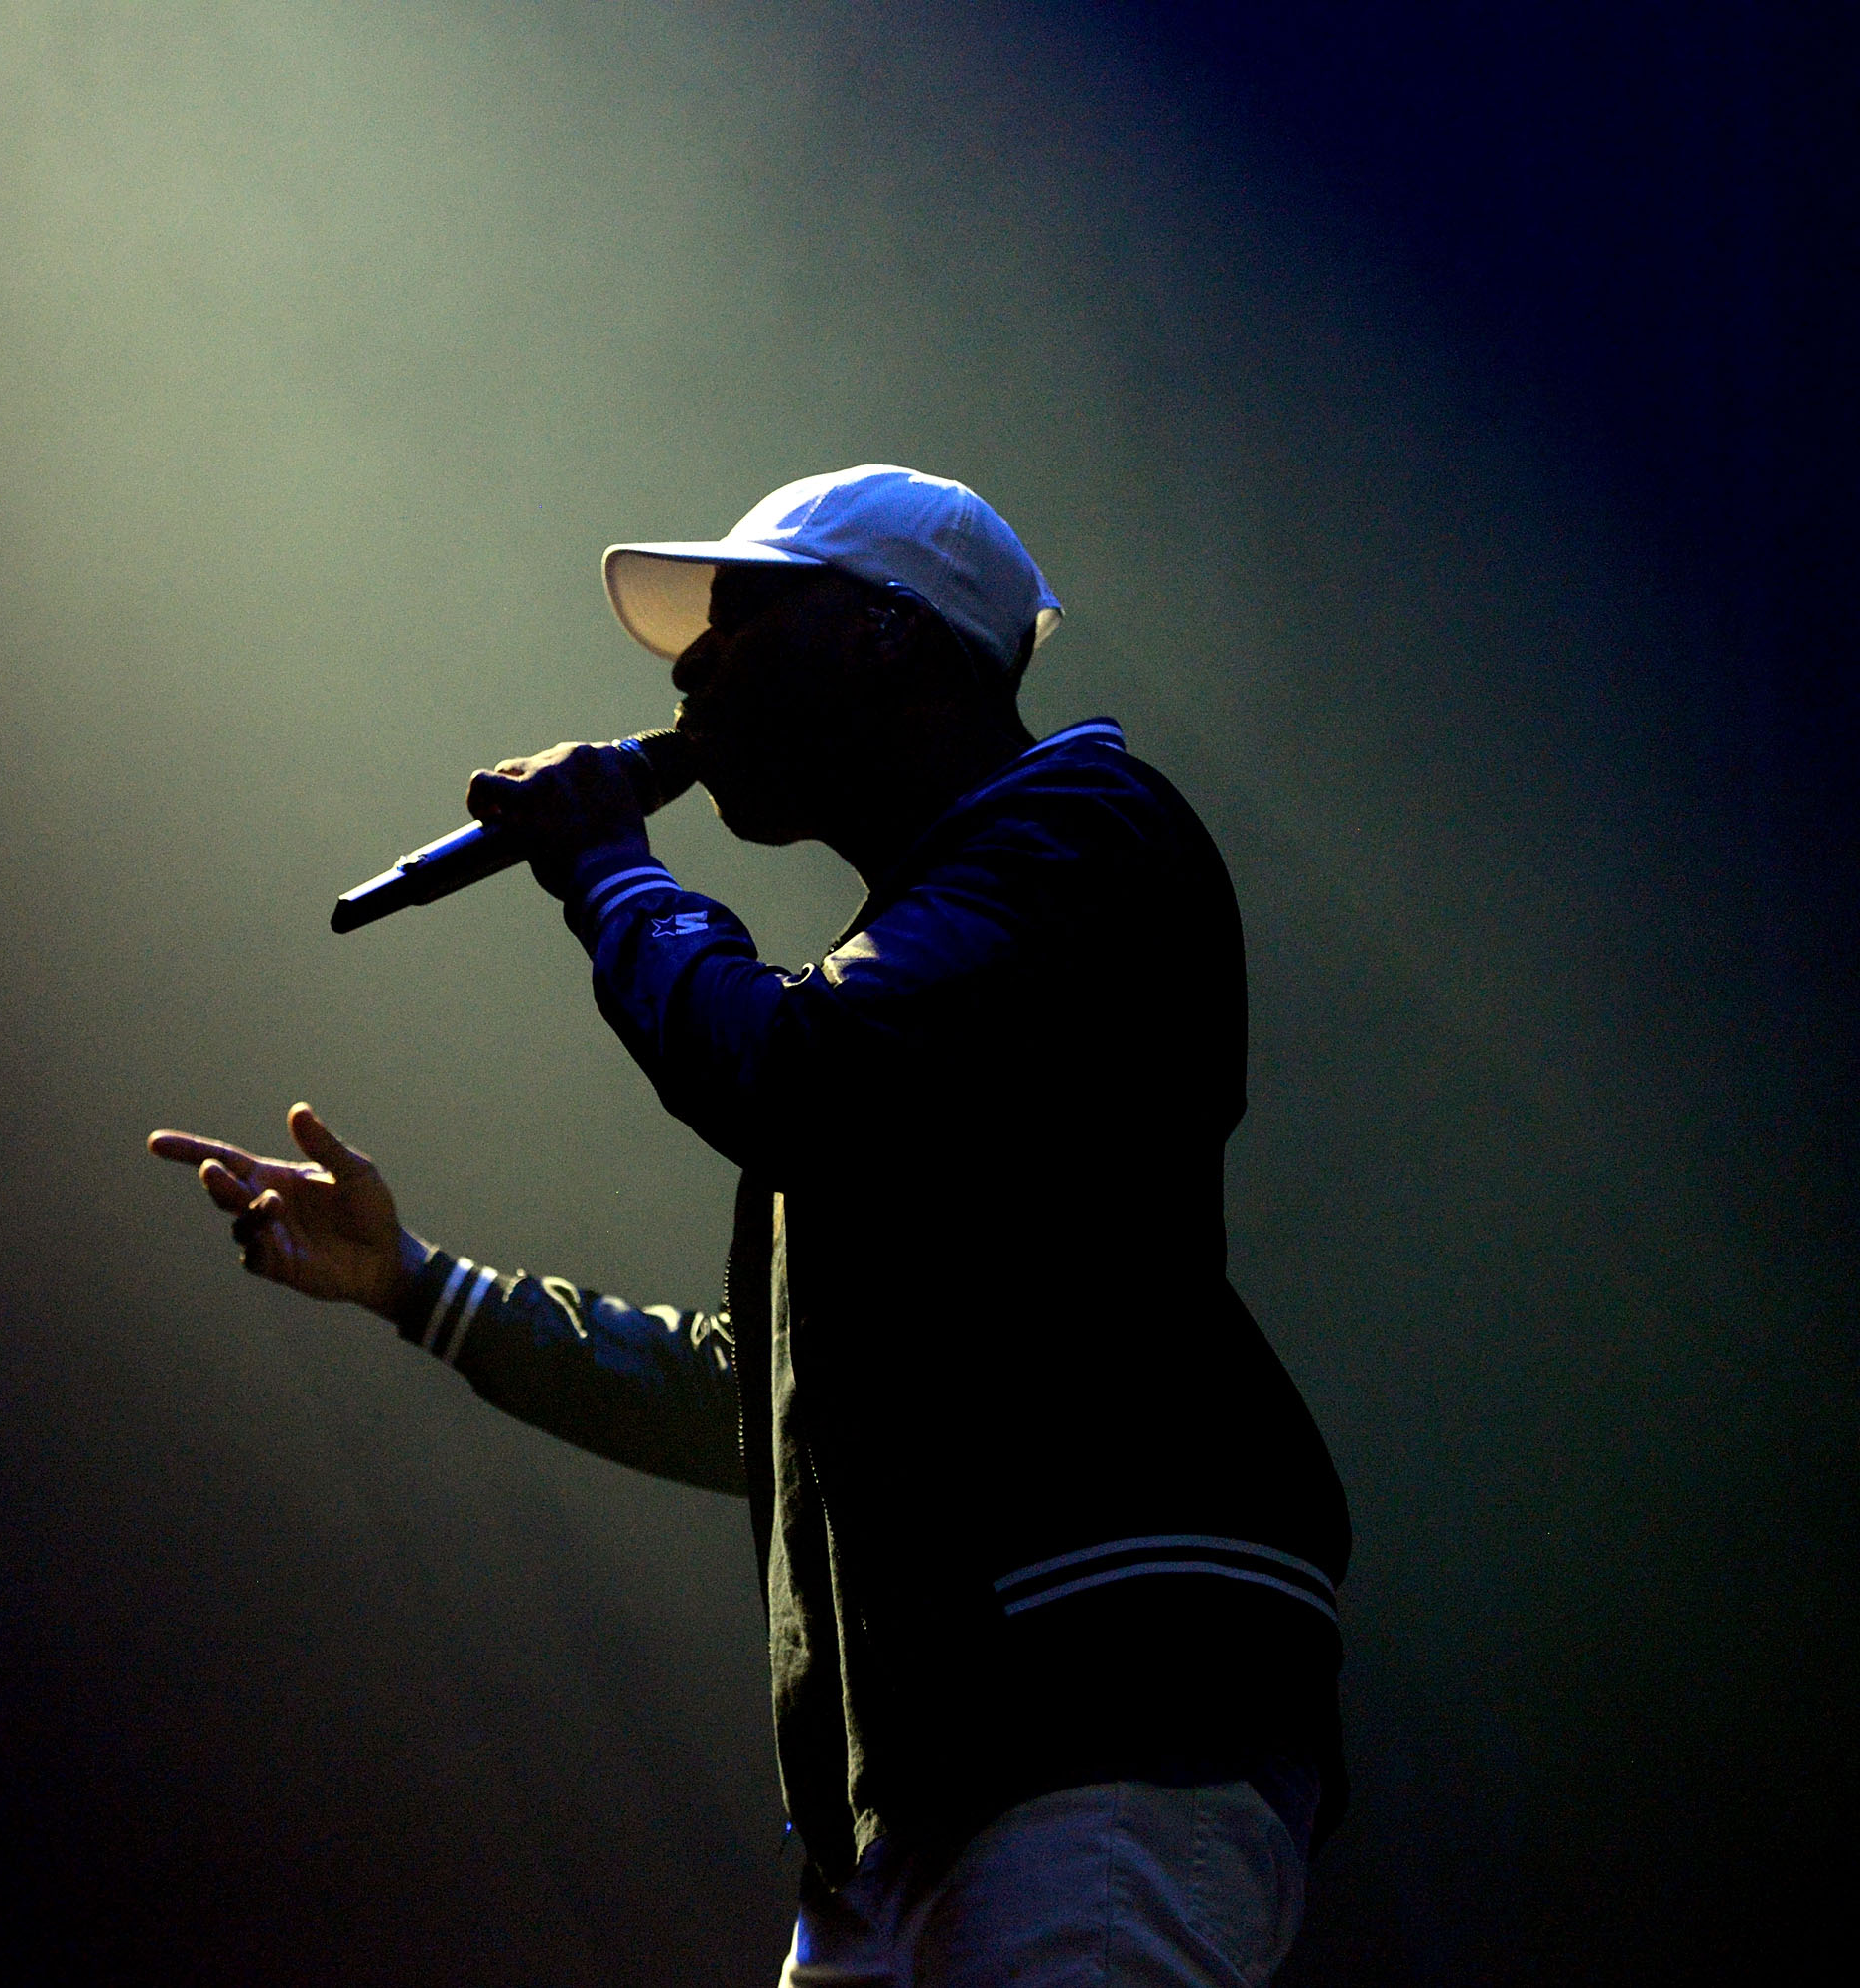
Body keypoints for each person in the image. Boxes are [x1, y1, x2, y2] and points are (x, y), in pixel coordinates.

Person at [146, 465, 1350, 1986]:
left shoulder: (1082, 841)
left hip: (1099, 1712)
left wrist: (604, 866)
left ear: (891, 638)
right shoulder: (923, 964)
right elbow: (769, 1401)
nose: (688, 668)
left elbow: (784, 1071)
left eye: (741, 619)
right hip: (929, 1777)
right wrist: (418, 1289)